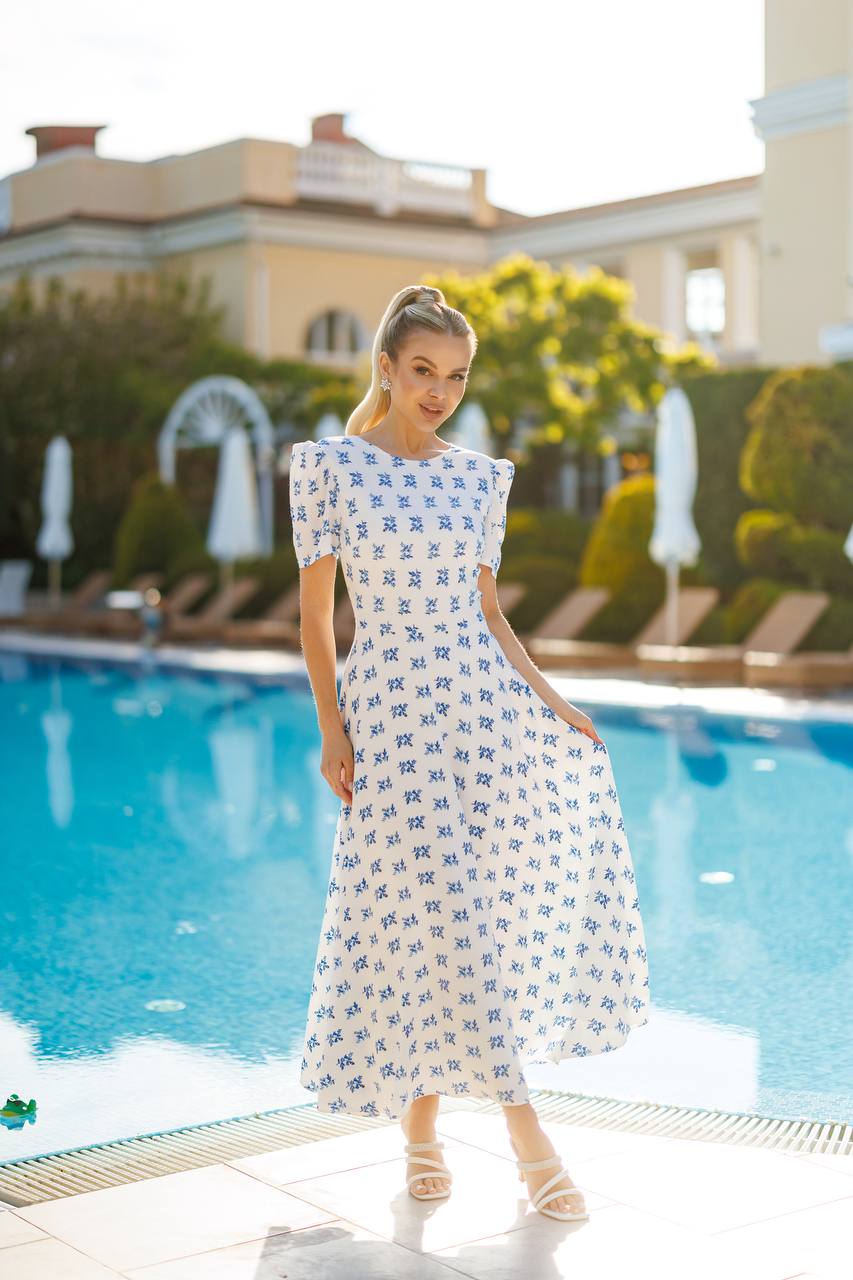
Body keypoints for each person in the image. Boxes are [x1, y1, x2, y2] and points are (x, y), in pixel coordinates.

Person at [289, 284, 650, 1220]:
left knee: (462, 918)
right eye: (422, 371)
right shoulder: (331, 470)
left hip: (480, 711)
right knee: (435, 910)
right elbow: (318, 617)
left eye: (454, 375)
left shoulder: (479, 477)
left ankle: (420, 1128)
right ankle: (528, 1137)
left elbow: (490, 614)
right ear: (386, 366)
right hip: (392, 712)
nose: (439, 390)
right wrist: (332, 726)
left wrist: (554, 704)